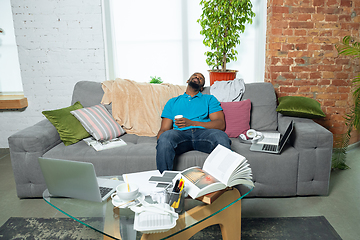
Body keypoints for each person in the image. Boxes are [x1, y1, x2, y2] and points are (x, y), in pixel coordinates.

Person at [156, 72, 231, 173]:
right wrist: (162, 143)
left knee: (221, 137)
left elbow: (220, 124)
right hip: (179, 135)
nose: (197, 77)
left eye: (201, 78)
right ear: (188, 81)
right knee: (165, 137)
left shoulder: (209, 99)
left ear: (201, 87)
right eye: (195, 76)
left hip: (204, 134)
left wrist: (192, 123)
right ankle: (165, 183)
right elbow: (164, 129)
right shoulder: (172, 102)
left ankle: (225, 184)